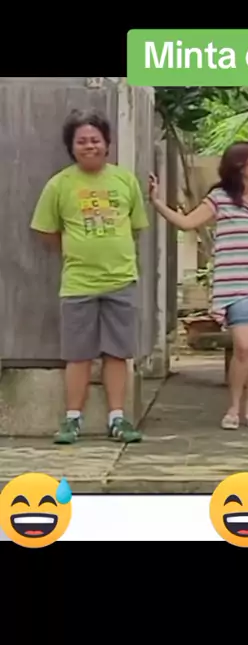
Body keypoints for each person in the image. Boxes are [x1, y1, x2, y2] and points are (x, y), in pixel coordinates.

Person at [30, 109, 150, 445]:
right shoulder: (59, 184)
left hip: (121, 280)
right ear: (72, 147)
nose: (89, 146)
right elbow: (45, 231)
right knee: (78, 354)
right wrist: (76, 252)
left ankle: (117, 418)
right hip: (78, 284)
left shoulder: (125, 180)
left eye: (95, 140)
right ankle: (72, 420)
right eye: (81, 141)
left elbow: (136, 226)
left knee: (117, 353)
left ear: (107, 144)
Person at [149, 141, 248, 429]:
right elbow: (186, 223)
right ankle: (233, 408)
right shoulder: (221, 198)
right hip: (235, 284)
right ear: (238, 165)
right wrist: (157, 202)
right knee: (244, 346)